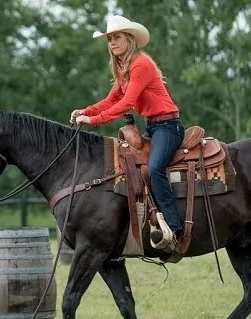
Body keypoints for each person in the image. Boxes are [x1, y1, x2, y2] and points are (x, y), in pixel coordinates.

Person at [70, 15, 185, 249]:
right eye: (109, 39)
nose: (112, 42)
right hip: (153, 126)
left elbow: (127, 103)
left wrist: (92, 120)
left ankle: (174, 227)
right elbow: (111, 99)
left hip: (168, 127)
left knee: (154, 169)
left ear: (129, 39)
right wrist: (86, 110)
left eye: (117, 37)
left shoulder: (140, 64)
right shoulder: (124, 68)